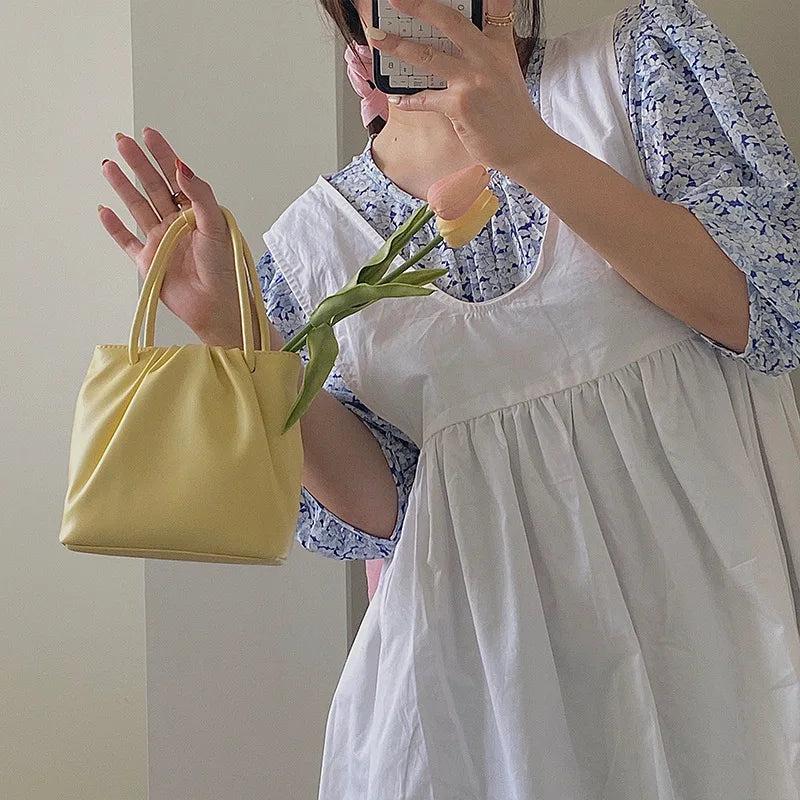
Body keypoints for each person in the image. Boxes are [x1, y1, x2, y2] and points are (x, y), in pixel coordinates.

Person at [98, 0, 800, 796]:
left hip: (718, 633)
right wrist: (239, 337)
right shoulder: (312, 249)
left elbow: (768, 314)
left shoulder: (642, 69)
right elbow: (389, 510)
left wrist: (529, 149)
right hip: (491, 700)